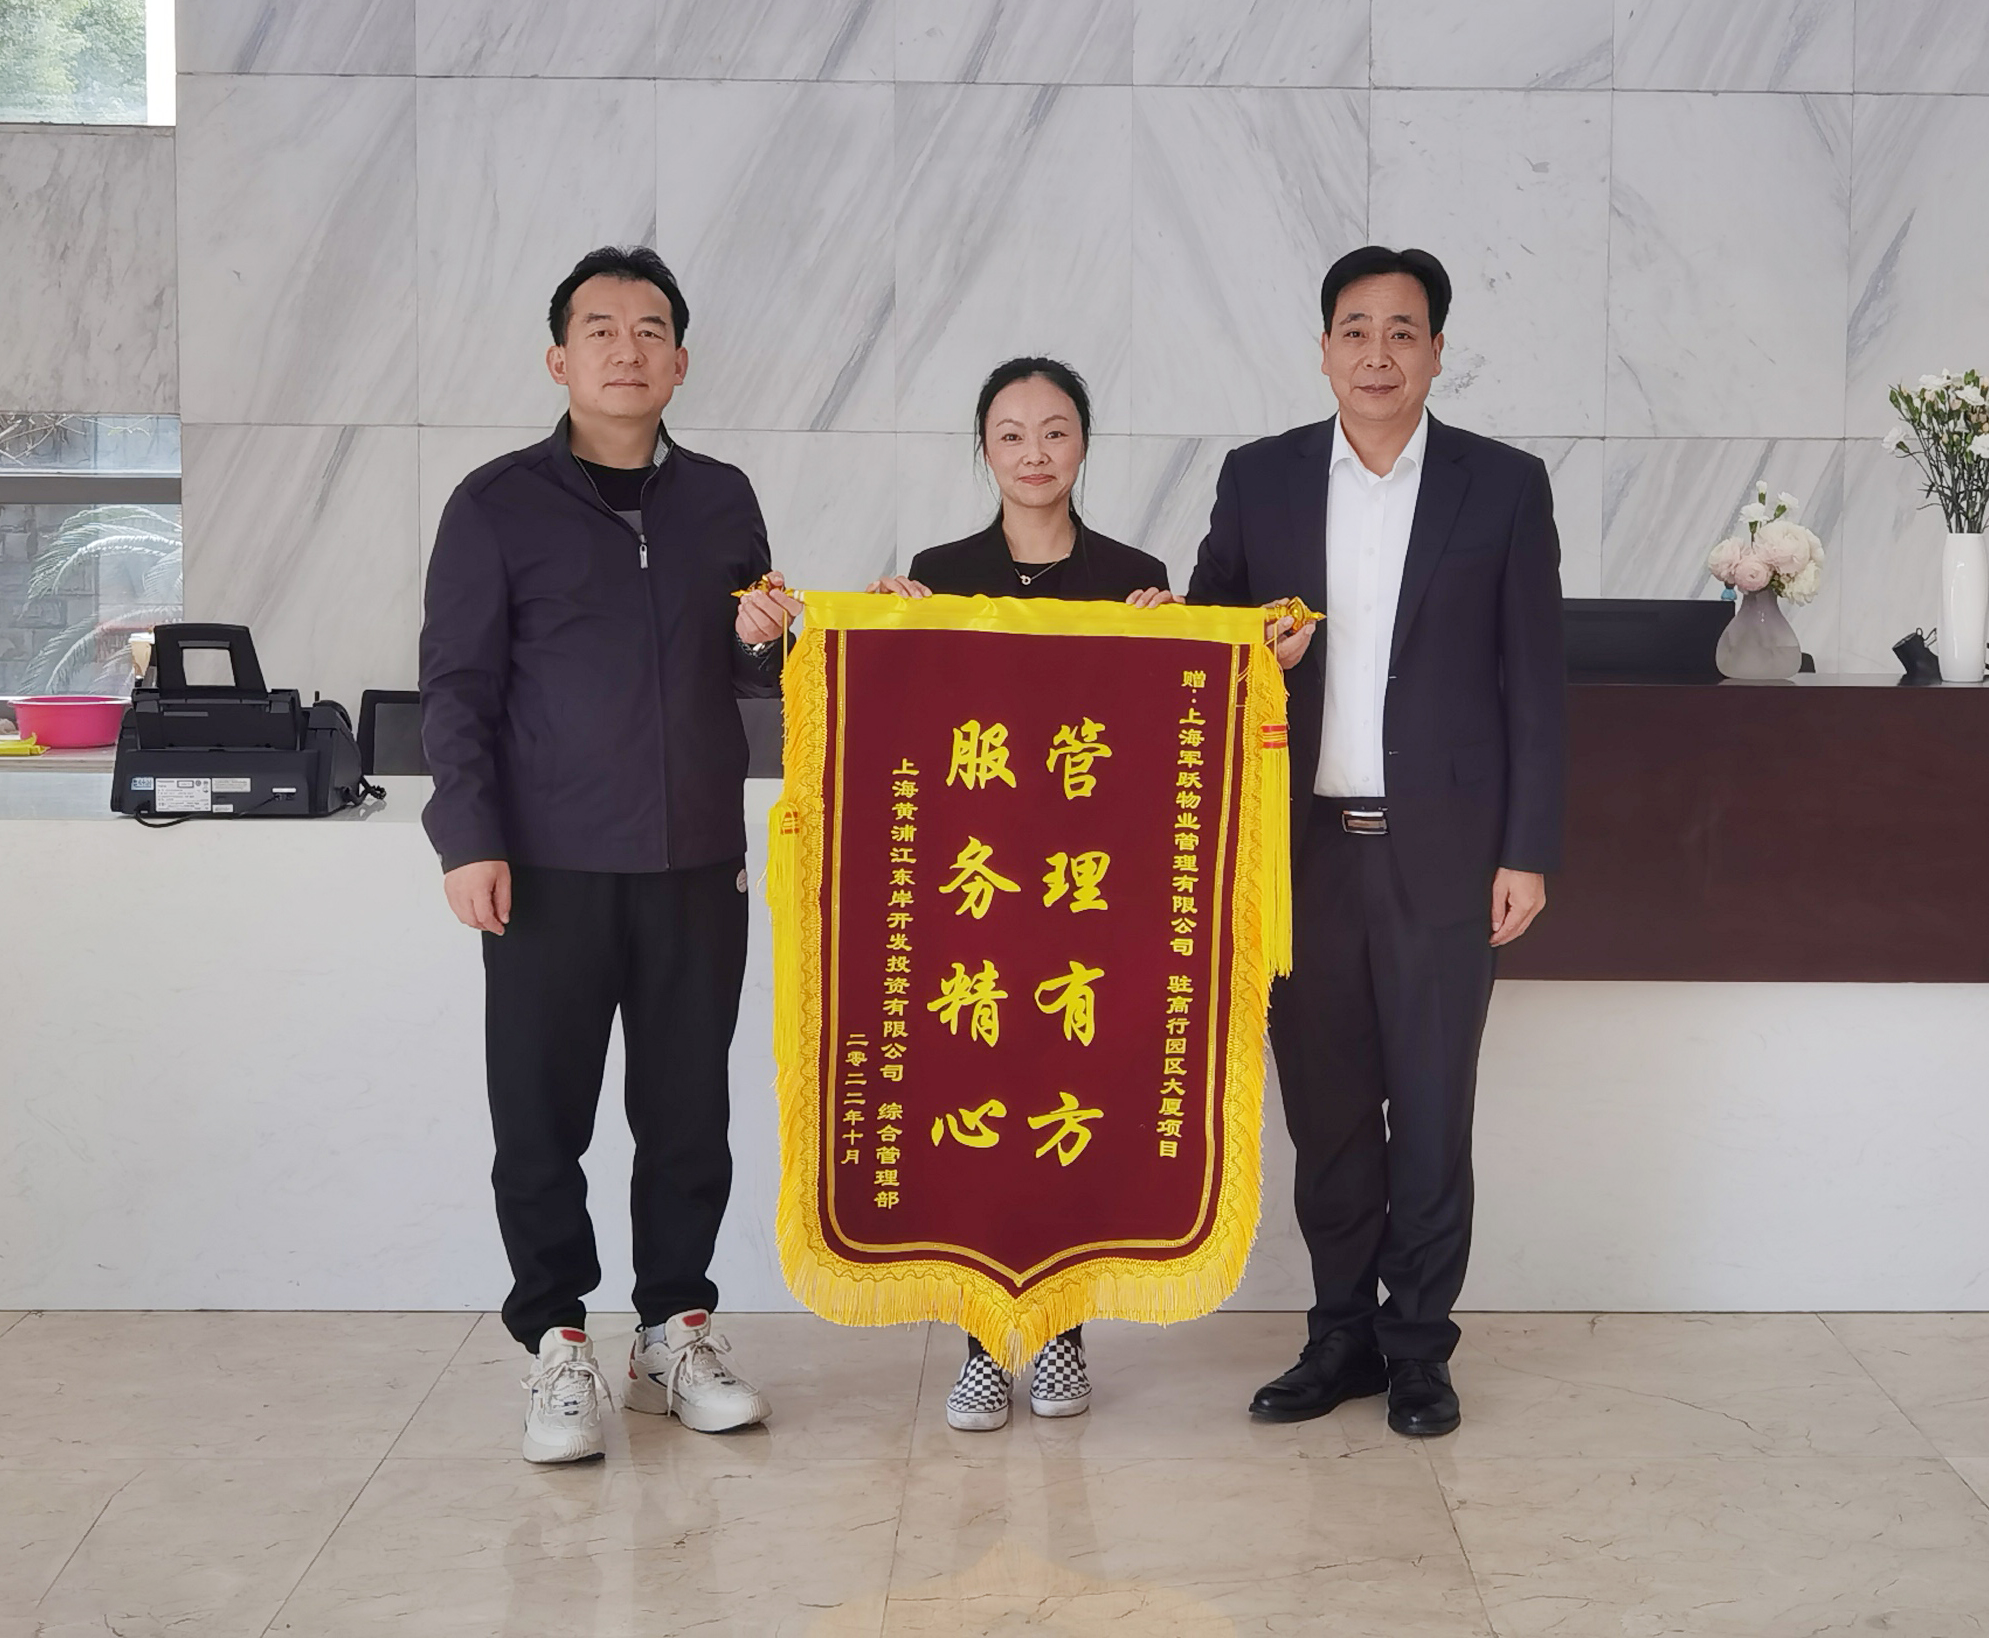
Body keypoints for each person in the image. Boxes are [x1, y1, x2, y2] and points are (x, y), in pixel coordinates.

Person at [420, 245, 805, 1465]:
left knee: (688, 1115)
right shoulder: (495, 503)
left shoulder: (722, 499)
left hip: (696, 862)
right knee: (541, 1120)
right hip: (547, 866)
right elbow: (456, 687)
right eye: (600, 329)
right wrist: (468, 837)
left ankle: (673, 1332)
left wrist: (769, 640)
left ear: (680, 362)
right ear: (559, 359)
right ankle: (556, 1341)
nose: (626, 349)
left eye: (649, 331)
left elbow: (756, 677)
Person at [1184, 244, 1565, 1439]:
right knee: (1330, 1114)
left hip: (1444, 852)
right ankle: (1339, 1334)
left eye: (1403, 331)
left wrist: (1525, 848)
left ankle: (1418, 1350)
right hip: (1298, 854)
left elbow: (1533, 682)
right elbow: (1201, 644)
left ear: (1437, 352)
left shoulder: (1502, 486)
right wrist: (1249, 647)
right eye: (1355, 329)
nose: (1377, 353)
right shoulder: (1260, 478)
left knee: (1433, 1109)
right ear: (1323, 349)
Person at [873, 356, 1170, 1432]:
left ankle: (1059, 1336)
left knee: (1072, 1112)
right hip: (977, 895)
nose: (1034, 452)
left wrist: (1172, 638)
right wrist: (886, 630)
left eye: (1054, 431)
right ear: (984, 449)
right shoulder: (938, 572)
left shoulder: (1134, 576)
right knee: (974, 1115)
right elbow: (900, 728)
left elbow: (1163, 740)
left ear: (1083, 445)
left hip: (1089, 895)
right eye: (1011, 433)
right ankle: (980, 1347)